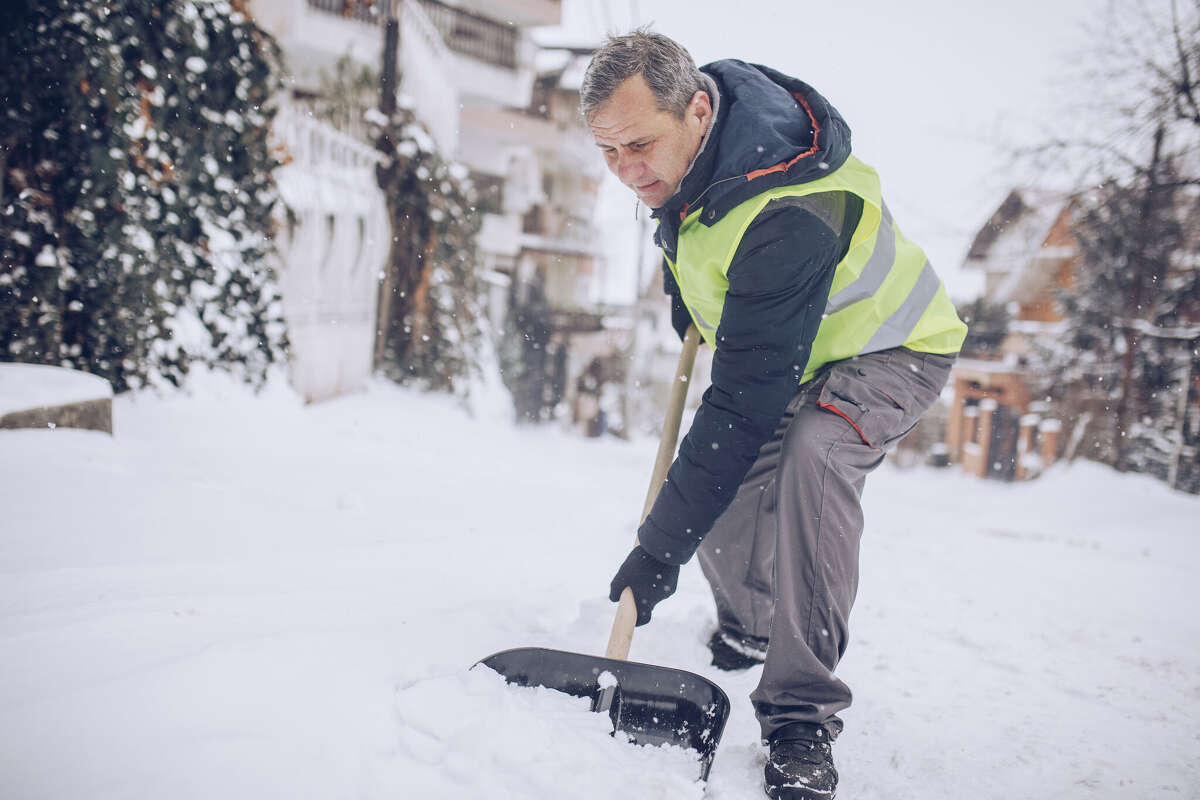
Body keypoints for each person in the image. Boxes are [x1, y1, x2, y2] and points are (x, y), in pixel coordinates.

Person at [582, 30, 967, 799]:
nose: (627, 171)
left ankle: (801, 715)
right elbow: (695, 237)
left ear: (696, 110)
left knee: (811, 461)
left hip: (893, 349)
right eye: (608, 152)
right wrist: (681, 295)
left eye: (640, 146)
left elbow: (745, 399)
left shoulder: (792, 205)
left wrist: (657, 553)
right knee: (722, 513)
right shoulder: (697, 148)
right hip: (801, 352)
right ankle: (751, 624)